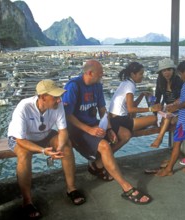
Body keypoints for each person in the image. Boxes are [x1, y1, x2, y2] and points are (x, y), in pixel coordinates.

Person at [62, 59, 152, 205]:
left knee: (124, 135)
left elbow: (102, 110)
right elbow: (68, 115)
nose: (103, 75)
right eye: (100, 73)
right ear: (90, 73)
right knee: (104, 146)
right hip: (77, 129)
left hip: (94, 124)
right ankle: (126, 187)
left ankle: (97, 164)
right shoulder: (74, 86)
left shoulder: (97, 86)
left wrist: (109, 128)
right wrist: (89, 130)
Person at [7, 79, 85, 219]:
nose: (59, 100)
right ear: (43, 97)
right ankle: (27, 201)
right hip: (23, 138)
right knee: (24, 155)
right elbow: (20, 140)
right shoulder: (23, 107)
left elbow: (63, 130)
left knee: (67, 146)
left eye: (59, 97)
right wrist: (43, 151)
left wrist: (59, 147)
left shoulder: (57, 105)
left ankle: (71, 189)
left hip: (45, 134)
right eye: (55, 97)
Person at [156, 60, 185, 177]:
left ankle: (169, 169)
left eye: (181, 74)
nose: (180, 77)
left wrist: (175, 107)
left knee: (176, 144)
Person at [108, 61, 162, 150]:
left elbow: (132, 105)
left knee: (145, 117)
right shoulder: (130, 86)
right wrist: (150, 109)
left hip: (113, 119)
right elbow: (131, 109)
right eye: (141, 74)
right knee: (154, 119)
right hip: (120, 120)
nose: (143, 76)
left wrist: (141, 95)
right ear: (133, 74)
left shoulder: (125, 82)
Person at [150, 58, 183, 148]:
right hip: (168, 109)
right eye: (164, 70)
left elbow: (183, 96)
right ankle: (161, 140)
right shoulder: (160, 80)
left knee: (169, 119)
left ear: (173, 70)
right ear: (161, 72)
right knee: (168, 118)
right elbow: (157, 96)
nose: (166, 73)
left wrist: (174, 104)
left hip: (179, 108)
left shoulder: (178, 80)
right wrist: (155, 112)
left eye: (169, 70)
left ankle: (159, 138)